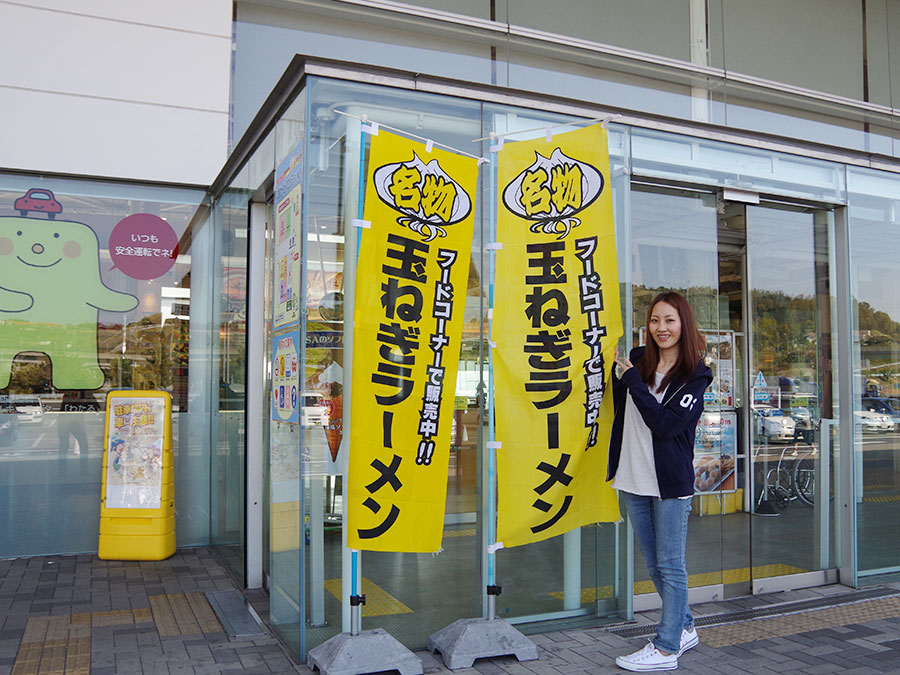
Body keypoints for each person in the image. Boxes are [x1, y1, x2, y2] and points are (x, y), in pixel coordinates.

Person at [608, 292, 712, 672]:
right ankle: (684, 627)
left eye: (669, 320)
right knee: (654, 565)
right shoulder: (636, 359)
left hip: (669, 483)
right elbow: (619, 407)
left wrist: (634, 381)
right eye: (654, 321)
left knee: (671, 564)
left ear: (683, 324)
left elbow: (666, 425)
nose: (661, 328)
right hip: (633, 475)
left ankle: (667, 647)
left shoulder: (695, 375)